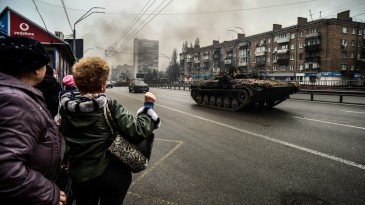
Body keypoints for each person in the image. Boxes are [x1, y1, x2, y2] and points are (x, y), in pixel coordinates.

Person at [59, 56, 161, 205]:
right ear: (102, 86)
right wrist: (148, 107)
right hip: (111, 174)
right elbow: (137, 131)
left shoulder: (65, 108)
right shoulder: (108, 105)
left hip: (80, 175)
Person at [0, 36, 66, 205]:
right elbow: (6, 169)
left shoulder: (14, 94)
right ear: (36, 68)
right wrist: (48, 193)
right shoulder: (15, 100)